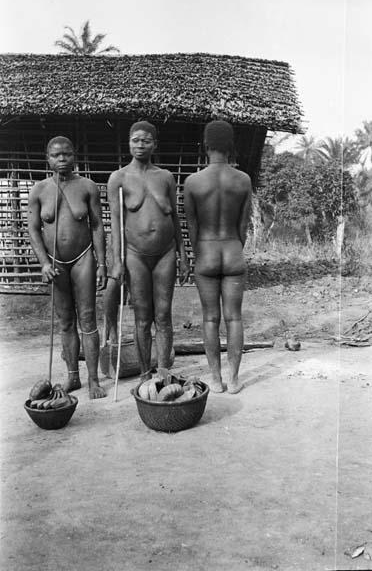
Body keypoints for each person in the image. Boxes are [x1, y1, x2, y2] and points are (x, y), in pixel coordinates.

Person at [107, 120, 190, 382]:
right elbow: (117, 223)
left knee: (163, 315)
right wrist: (117, 262)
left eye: (145, 140)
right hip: (135, 255)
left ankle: (164, 372)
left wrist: (183, 254)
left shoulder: (165, 177)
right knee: (142, 315)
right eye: (135, 139)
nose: (140, 144)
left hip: (165, 253)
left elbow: (175, 218)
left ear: (154, 144)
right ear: (128, 143)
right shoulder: (118, 178)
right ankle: (145, 373)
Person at [28, 136, 107, 399]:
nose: (62, 159)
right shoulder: (39, 190)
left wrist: (102, 264)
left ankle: (94, 379)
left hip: (83, 259)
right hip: (56, 263)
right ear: (47, 159)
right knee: (65, 322)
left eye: (67, 154)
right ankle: (73, 376)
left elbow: (96, 226)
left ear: (75, 155)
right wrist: (43, 263)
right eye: (55, 155)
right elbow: (33, 229)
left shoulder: (87, 187)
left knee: (88, 320)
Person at [184, 120, 252, 394]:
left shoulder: (193, 182)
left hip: (207, 253)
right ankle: (234, 379)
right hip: (233, 251)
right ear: (231, 146)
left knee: (210, 318)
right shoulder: (243, 180)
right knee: (234, 318)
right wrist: (235, 245)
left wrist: (200, 254)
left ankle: (215, 379)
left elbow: (192, 227)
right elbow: (243, 227)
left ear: (206, 145)